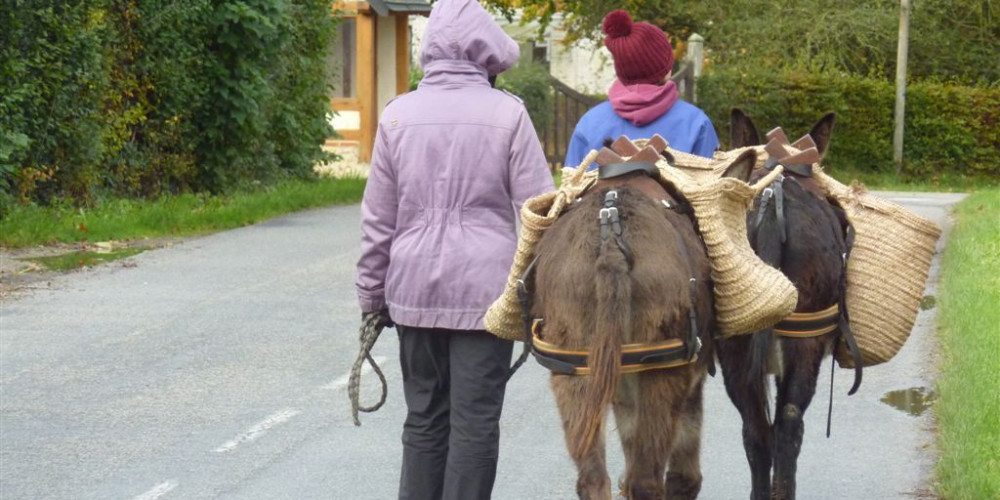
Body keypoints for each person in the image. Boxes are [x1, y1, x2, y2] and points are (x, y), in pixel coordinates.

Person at [354, 0, 555, 498]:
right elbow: (539, 213)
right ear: (486, 50)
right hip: (486, 298)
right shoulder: (508, 114)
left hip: (413, 291)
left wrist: (370, 296)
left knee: (423, 420)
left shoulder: (397, 115)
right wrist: (542, 295)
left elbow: (379, 220)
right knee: (475, 425)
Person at [564, 9, 720, 170]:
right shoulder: (696, 123)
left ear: (622, 71)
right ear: (666, 70)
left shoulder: (589, 123)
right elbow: (713, 188)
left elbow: (569, 188)